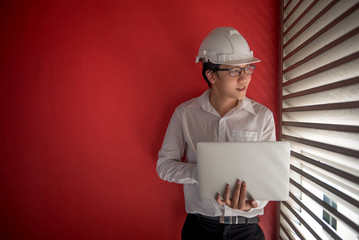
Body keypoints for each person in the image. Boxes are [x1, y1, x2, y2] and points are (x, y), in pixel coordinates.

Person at [156, 27, 276, 240]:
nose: (245, 78)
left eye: (247, 69)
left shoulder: (262, 116)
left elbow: (268, 177)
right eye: (234, 71)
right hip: (200, 230)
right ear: (211, 75)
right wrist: (203, 174)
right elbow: (164, 166)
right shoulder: (185, 114)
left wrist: (253, 203)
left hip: (247, 231)